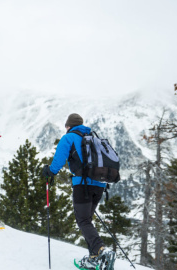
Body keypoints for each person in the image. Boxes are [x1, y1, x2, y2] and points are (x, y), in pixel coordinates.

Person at [42, 113, 115, 269]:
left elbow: (58, 162)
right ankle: (94, 258)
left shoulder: (68, 138)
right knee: (86, 219)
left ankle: (101, 250)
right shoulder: (93, 138)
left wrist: (49, 171)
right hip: (100, 185)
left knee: (83, 220)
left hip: (83, 185)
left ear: (68, 126)